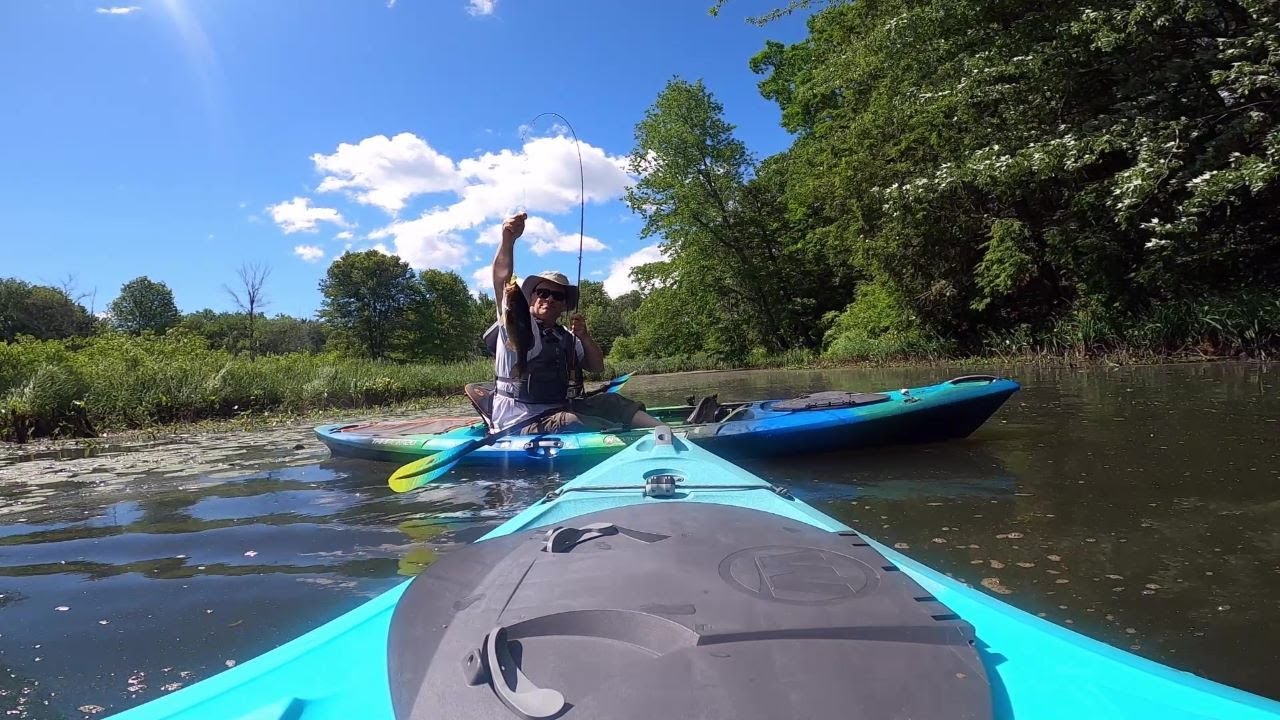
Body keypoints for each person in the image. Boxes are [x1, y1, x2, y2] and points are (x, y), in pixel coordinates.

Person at [489, 211, 663, 434]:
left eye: (557, 296)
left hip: (561, 409)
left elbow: (597, 367)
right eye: (542, 292)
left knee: (611, 402)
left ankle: (666, 432)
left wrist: (584, 337)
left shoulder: (567, 337)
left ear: (564, 306)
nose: (549, 299)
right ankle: (627, 438)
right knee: (571, 421)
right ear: (531, 297)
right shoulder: (517, 320)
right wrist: (508, 240)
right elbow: (501, 279)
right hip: (520, 420)